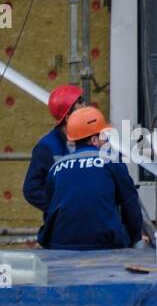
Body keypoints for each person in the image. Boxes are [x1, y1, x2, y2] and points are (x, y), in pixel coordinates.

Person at [37, 106, 145, 251]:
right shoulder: (111, 161)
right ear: (94, 140)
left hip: (60, 245)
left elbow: (50, 209)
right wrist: (135, 239)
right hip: (105, 245)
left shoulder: (57, 167)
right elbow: (130, 203)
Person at [23, 84, 83, 212]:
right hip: (64, 226)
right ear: (68, 117)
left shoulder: (93, 140)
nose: (86, 108)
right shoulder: (47, 148)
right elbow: (31, 189)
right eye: (80, 104)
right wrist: (60, 207)